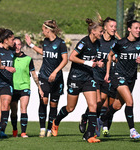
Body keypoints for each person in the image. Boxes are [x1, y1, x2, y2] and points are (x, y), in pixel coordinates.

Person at [51, 14, 104, 143]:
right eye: (101, 31)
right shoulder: (83, 42)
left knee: (93, 105)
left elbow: (91, 59)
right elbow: (72, 57)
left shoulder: (98, 43)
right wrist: (88, 63)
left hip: (88, 78)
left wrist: (97, 63)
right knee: (70, 108)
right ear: (93, 31)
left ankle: (89, 135)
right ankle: (56, 121)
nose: (102, 34)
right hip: (75, 78)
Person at [79, 17, 121, 137]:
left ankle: (89, 122)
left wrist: (115, 58)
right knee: (97, 102)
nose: (114, 29)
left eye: (115, 27)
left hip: (108, 75)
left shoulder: (115, 42)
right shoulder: (98, 39)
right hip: (95, 74)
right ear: (105, 28)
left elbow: (118, 56)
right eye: (112, 26)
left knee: (102, 102)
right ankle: (88, 125)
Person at [25, 20, 68, 137]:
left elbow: (65, 60)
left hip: (56, 78)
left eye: (43, 30)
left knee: (53, 105)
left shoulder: (61, 43)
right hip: (44, 76)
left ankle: (50, 129)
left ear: (48, 30)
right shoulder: (45, 41)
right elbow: (44, 52)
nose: (42, 32)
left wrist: (55, 72)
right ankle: (42, 129)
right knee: (43, 101)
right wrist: (31, 45)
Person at [99, 20, 140, 139]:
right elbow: (110, 55)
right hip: (118, 75)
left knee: (116, 106)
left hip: (131, 78)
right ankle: (132, 130)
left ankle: (100, 121)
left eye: (139, 28)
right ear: (129, 29)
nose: (138, 30)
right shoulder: (121, 43)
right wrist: (107, 73)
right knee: (130, 101)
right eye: (136, 28)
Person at [9, 37, 44, 138]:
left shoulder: (28, 59)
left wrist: (40, 88)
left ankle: (23, 132)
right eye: (15, 44)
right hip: (13, 87)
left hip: (25, 86)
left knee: (23, 108)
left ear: (21, 46)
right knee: (14, 111)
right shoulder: (10, 57)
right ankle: (15, 130)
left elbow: (34, 74)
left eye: (19, 44)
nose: (17, 46)